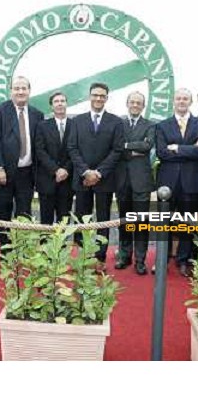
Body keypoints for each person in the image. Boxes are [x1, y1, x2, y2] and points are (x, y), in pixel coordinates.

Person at [67, 82, 124, 266]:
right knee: (82, 218)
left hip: (104, 180)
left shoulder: (116, 121)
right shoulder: (77, 121)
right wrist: (85, 171)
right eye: (95, 95)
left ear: (106, 98)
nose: (98, 98)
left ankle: (100, 258)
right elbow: (72, 148)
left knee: (103, 219)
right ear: (89, 97)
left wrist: (98, 173)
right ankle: (83, 258)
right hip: (82, 179)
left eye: (102, 96)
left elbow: (117, 150)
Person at [156, 88, 198, 276]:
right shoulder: (162, 125)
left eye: (185, 98)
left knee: (188, 224)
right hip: (167, 183)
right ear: (173, 101)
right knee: (164, 223)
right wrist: (191, 149)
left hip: (191, 182)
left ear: (190, 102)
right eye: (178, 98)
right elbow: (162, 153)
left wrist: (177, 148)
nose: (181, 101)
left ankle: (183, 260)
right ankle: (161, 259)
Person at [0, 76, 44, 246]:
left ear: (29, 91)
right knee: (3, 211)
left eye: (23, 88)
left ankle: (22, 246)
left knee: (24, 211)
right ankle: (5, 248)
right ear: (10, 91)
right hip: (4, 172)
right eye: (17, 88)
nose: (20, 91)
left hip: (27, 172)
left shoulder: (37, 114)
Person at [115, 91, 154, 275]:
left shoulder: (150, 125)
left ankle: (140, 259)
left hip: (141, 182)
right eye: (132, 102)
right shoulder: (119, 123)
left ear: (143, 106)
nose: (135, 105)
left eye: (139, 102)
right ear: (127, 103)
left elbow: (147, 146)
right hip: (122, 180)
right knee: (124, 221)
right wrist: (133, 147)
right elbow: (116, 146)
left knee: (140, 222)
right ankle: (124, 256)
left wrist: (126, 146)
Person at [35, 91, 74, 225]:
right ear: (51, 106)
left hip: (67, 181)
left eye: (62, 101)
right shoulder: (42, 126)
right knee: (46, 220)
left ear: (66, 104)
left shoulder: (75, 125)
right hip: (47, 179)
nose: (60, 104)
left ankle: (62, 246)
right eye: (56, 101)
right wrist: (56, 170)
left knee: (64, 220)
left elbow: (76, 151)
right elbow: (40, 151)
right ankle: (45, 246)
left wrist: (65, 170)